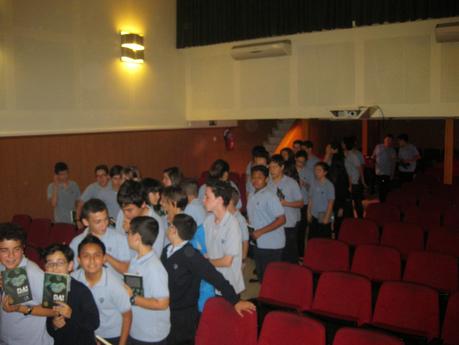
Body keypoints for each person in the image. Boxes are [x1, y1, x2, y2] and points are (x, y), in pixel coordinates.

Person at [161, 213, 256, 345]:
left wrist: (235, 301)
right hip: (166, 308)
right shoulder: (166, 250)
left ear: (174, 230)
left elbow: (216, 277)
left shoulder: (191, 255)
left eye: (170, 225)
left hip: (184, 315)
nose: (168, 227)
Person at [160, 186, 215, 313]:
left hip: (191, 294)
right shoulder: (171, 224)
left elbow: (202, 266)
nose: (162, 205)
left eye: (164, 201)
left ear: (173, 204)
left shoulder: (189, 228)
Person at [0, 223, 54, 345]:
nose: (11, 256)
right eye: (4, 250)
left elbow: (56, 309)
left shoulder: (33, 273)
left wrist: (21, 308)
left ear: (23, 248)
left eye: (16, 249)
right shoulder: (2, 266)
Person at [72, 235, 132, 345]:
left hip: (112, 336)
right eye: (86, 256)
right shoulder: (73, 280)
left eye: (97, 255)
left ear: (104, 259)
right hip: (86, 332)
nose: (92, 260)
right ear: (79, 260)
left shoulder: (115, 285)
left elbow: (127, 316)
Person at [125, 217, 170, 345]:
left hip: (151, 335)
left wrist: (132, 298)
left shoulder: (154, 268)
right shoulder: (136, 258)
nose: (127, 235)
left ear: (137, 238)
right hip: (137, 328)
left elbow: (162, 303)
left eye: (128, 232)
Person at [44, 244, 100, 345]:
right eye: (50, 263)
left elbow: (94, 322)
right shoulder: (48, 290)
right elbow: (50, 328)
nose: (54, 267)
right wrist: (54, 325)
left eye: (60, 263)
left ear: (70, 266)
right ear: (46, 268)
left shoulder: (81, 291)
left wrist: (72, 314)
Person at [70, 199, 131, 278]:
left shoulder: (119, 238)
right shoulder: (76, 242)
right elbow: (73, 270)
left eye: (106, 219)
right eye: (98, 222)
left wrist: (107, 258)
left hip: (113, 287)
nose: (104, 225)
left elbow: (128, 270)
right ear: (86, 222)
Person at [202, 180, 245, 295]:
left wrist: (205, 263)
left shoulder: (232, 225)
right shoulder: (208, 220)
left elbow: (227, 261)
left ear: (220, 200)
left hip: (228, 283)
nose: (203, 200)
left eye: (207, 197)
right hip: (212, 279)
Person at [247, 165, 286, 282]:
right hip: (258, 242)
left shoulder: (270, 196)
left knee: (271, 277)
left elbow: (282, 219)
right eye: (253, 177)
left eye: (259, 177)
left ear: (266, 179)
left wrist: (260, 231)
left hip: (271, 243)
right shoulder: (253, 194)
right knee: (261, 274)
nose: (255, 180)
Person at [116, 180, 165, 259]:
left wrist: (130, 232)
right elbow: (118, 248)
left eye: (129, 210)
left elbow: (152, 258)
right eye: (122, 209)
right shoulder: (122, 213)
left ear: (143, 204)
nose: (125, 214)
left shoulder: (155, 223)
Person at [268, 155, 303, 264]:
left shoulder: (291, 183)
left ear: (282, 167)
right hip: (272, 222)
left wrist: (285, 203)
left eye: (275, 167)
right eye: (270, 167)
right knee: (275, 251)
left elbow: (301, 203)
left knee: (289, 252)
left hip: (288, 222)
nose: (271, 170)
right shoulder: (268, 182)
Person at [308, 162, 335, 239]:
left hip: (324, 215)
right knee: (312, 238)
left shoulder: (329, 185)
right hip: (314, 215)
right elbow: (310, 199)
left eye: (319, 170)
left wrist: (326, 218)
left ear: (325, 172)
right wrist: (309, 213)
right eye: (315, 170)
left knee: (323, 239)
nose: (316, 172)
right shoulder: (313, 182)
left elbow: (331, 203)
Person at [295, 150, 313, 257]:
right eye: (298, 161)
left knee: (302, 230)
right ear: (295, 159)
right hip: (292, 204)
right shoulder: (290, 170)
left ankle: (301, 254)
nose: (300, 164)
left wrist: (305, 184)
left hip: (304, 203)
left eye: (302, 162)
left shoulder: (309, 172)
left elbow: (312, 188)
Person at [343, 137, 366, 218]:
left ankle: (360, 219)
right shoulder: (346, 155)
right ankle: (353, 219)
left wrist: (362, 182)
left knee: (357, 202)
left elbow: (360, 168)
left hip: (355, 182)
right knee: (351, 202)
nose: (342, 145)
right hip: (350, 182)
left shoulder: (353, 155)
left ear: (345, 145)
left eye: (343, 143)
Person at [371, 134, 396, 202]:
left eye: (390, 140)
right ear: (384, 140)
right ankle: (382, 201)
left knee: (384, 188)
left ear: (392, 142)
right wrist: (372, 159)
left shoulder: (392, 150)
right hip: (377, 172)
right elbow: (373, 156)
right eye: (387, 140)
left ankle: (383, 202)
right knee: (380, 188)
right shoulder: (378, 146)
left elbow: (393, 163)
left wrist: (392, 174)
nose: (388, 142)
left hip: (386, 173)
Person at [227, 187, 249, 262]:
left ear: (230, 201)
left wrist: (243, 258)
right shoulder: (226, 216)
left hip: (236, 257)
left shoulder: (239, 219)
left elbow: (245, 240)